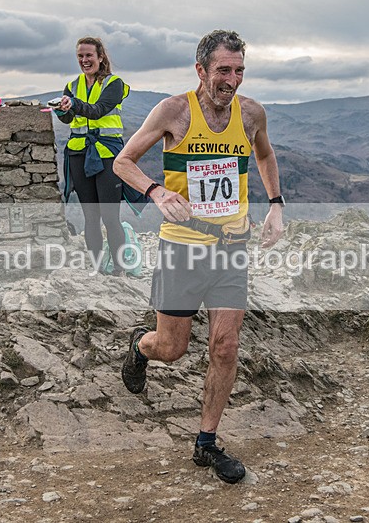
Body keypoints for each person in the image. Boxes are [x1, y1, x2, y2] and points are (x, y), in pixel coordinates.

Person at [113, 30, 285, 483]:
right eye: (223, 70)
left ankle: (206, 443)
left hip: (231, 249)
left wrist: (275, 207)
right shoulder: (174, 111)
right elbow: (123, 161)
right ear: (201, 70)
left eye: (239, 71)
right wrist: (154, 191)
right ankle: (140, 346)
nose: (232, 80)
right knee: (172, 348)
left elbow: (265, 156)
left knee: (225, 347)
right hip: (182, 248)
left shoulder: (250, 114)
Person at [54, 37, 130, 274]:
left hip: (107, 154)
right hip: (79, 153)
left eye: (89, 55)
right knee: (90, 215)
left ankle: (119, 269)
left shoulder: (114, 84)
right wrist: (62, 109)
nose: (84, 60)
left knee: (109, 215)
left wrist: (73, 104)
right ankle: (97, 268)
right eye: (80, 56)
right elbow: (68, 119)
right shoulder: (73, 85)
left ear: (100, 57)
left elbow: (97, 112)